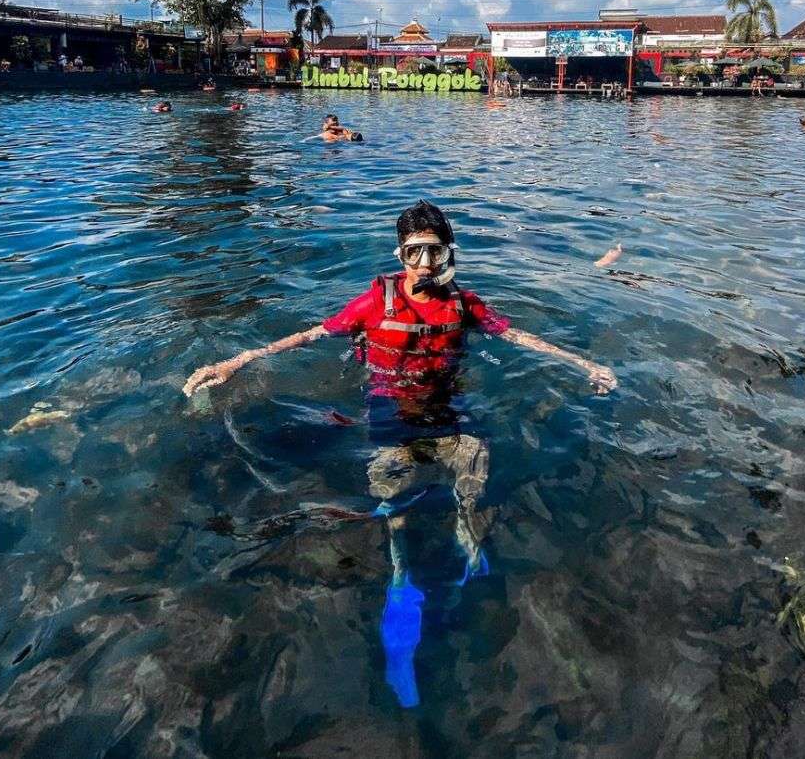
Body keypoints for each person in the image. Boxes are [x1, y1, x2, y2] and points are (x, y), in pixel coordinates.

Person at [183, 201, 615, 701]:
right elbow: (311, 334)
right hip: (390, 406)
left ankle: (466, 534)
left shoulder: (465, 304)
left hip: (447, 404)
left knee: (473, 463)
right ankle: (399, 568)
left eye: (435, 252)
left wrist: (581, 363)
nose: (426, 265)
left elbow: (515, 334)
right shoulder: (374, 304)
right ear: (401, 252)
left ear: (449, 251)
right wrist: (239, 360)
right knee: (391, 490)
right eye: (415, 252)